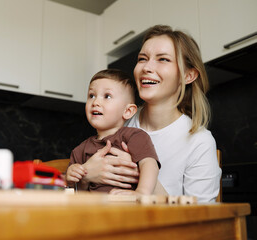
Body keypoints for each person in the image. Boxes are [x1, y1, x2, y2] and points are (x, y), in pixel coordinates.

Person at [78, 25, 222, 203]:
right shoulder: (120, 119)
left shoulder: (199, 141)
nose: (147, 67)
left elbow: (202, 220)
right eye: (142, 59)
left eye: (163, 59)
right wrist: (86, 174)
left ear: (188, 75)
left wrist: (139, 173)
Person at [66, 69, 160, 195]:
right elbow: (76, 194)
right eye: (91, 96)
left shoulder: (135, 136)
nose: (95, 102)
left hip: (126, 209)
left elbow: (149, 164)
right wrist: (73, 176)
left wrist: (142, 192)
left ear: (128, 111)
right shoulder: (79, 150)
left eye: (107, 96)